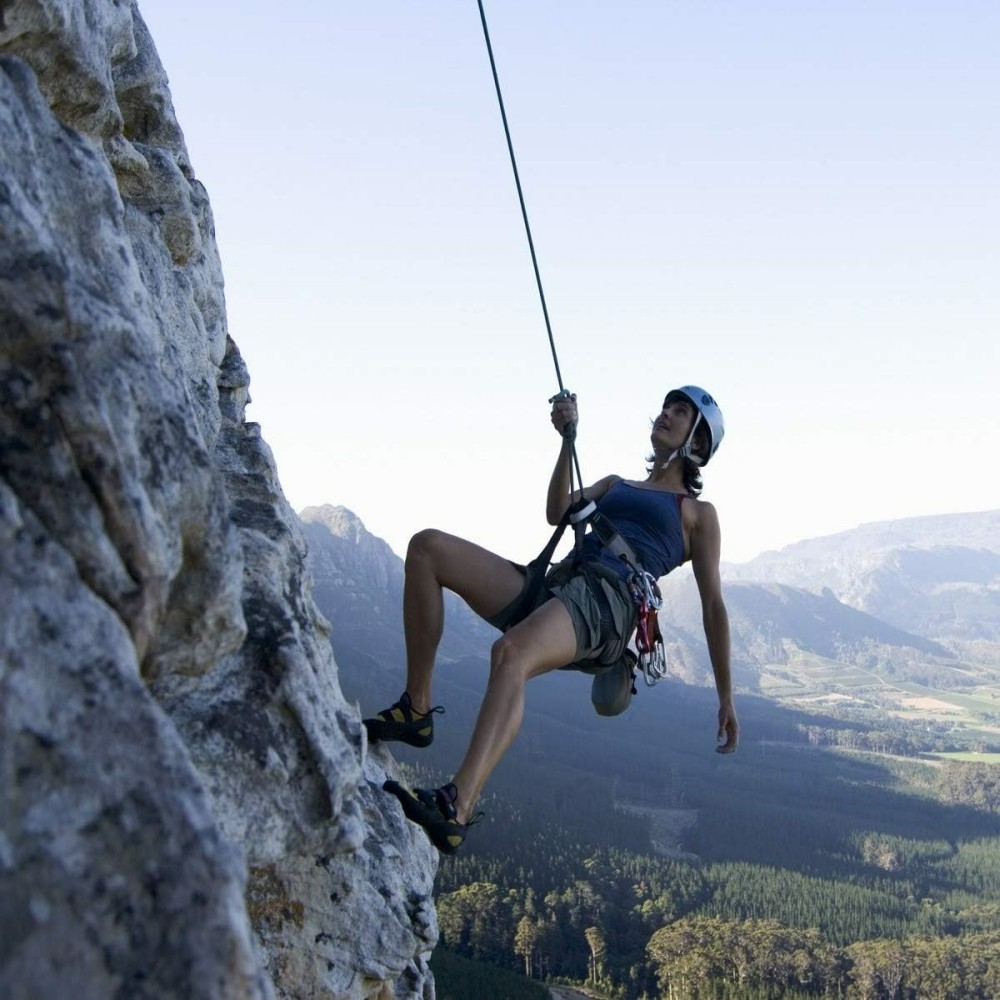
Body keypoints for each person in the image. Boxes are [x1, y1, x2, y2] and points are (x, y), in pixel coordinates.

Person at [364, 386, 739, 853]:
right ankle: (416, 710)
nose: (665, 414)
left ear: (698, 445)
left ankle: (455, 807)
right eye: (667, 407)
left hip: (608, 604)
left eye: (680, 413)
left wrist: (725, 696)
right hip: (560, 584)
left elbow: (713, 606)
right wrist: (567, 439)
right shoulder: (615, 483)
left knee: (510, 653)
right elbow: (556, 512)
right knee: (427, 548)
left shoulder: (698, 514)